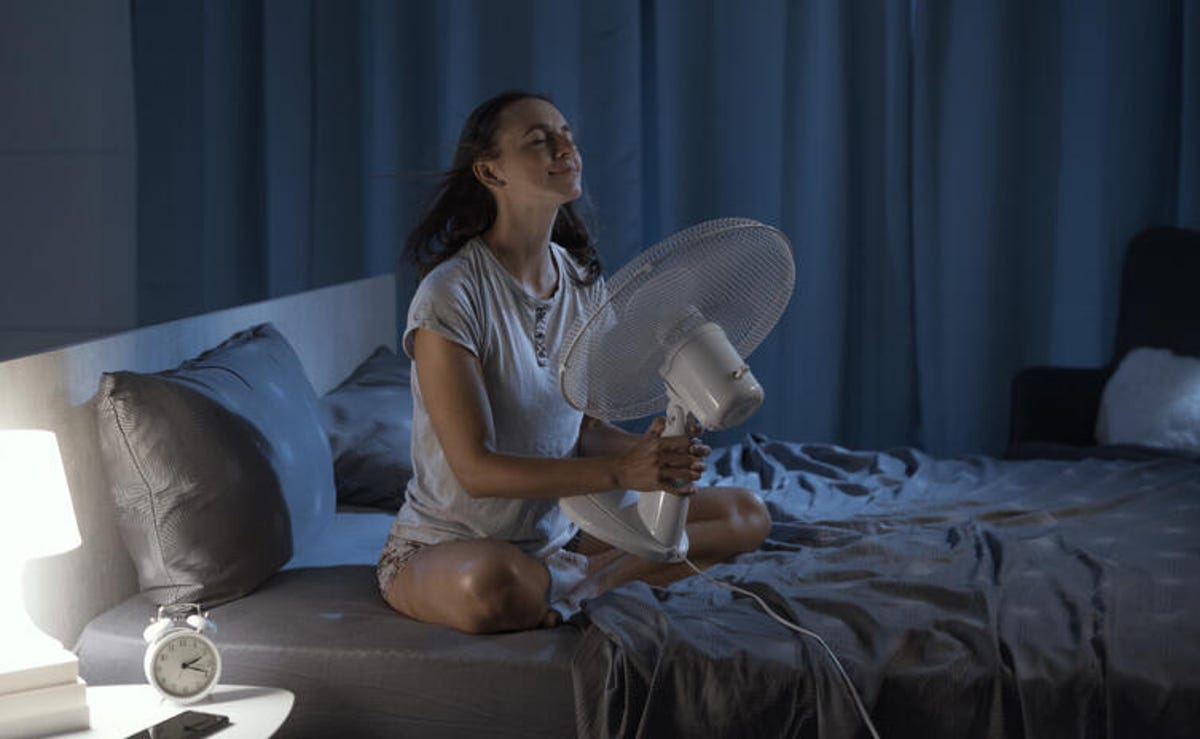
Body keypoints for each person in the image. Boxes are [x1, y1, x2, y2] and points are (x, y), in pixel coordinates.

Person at [378, 90, 770, 634]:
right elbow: (475, 470)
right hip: (454, 546)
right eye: (540, 141)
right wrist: (620, 472)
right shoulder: (450, 295)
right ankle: (590, 581)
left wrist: (650, 455)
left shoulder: (582, 281)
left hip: (558, 534)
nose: (567, 148)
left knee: (746, 513)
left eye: (567, 135)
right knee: (492, 589)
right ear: (490, 172)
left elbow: (581, 427)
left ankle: (577, 582)